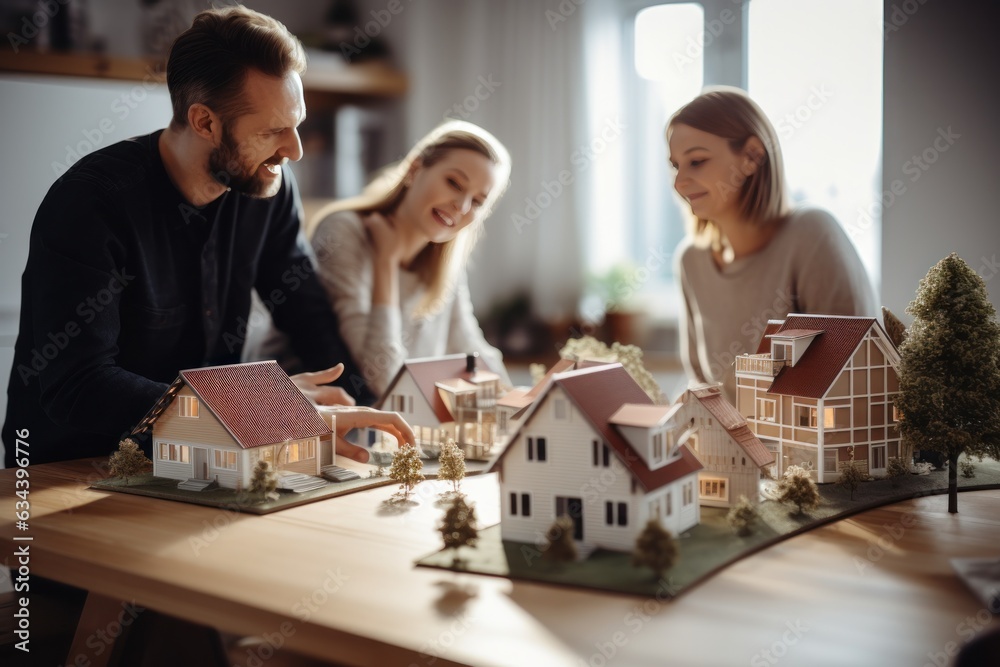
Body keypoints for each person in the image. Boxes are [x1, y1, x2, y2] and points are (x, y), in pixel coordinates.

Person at [2, 5, 413, 468]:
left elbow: (308, 315)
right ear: (204, 122)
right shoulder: (91, 204)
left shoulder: (268, 188)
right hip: (68, 471)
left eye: (297, 124)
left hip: (199, 461)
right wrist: (256, 409)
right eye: (274, 130)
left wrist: (365, 423)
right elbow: (79, 384)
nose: (294, 150)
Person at [248, 120, 512, 397]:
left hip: (385, 420)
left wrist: (516, 399)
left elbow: (471, 346)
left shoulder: (446, 264)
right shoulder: (344, 231)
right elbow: (381, 378)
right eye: (454, 183)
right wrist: (386, 262)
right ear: (414, 169)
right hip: (294, 410)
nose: (462, 206)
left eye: (479, 201)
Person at [667, 87, 877, 404]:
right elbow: (701, 383)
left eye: (696, 161)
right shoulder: (690, 261)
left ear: (752, 156)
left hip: (807, 447)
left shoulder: (812, 234)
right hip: (731, 448)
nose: (679, 182)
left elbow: (856, 373)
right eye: (675, 165)